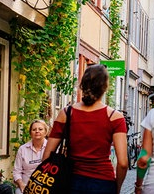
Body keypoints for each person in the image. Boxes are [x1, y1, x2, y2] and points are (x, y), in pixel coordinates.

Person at [43, 64, 128, 194]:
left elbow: (47, 156)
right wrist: (117, 187)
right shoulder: (114, 117)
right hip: (103, 182)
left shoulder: (66, 113)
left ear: (82, 85)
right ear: (105, 87)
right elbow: (122, 163)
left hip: (71, 181)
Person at [13, 119, 49, 194]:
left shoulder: (51, 148)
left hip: (46, 187)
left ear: (45, 132)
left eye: (40, 129)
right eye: (34, 129)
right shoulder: (22, 149)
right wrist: (21, 185)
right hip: (26, 186)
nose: (37, 131)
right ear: (30, 133)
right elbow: (17, 171)